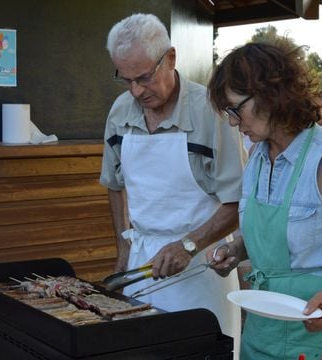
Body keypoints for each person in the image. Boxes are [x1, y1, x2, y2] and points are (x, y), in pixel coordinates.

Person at [206, 39, 322, 359]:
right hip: (263, 329)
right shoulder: (257, 156)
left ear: (270, 93)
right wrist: (236, 250)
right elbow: (276, 235)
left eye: (236, 109)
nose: (233, 122)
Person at [99, 13, 245, 354]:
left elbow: (236, 201)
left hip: (202, 268)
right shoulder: (121, 111)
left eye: (145, 77)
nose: (136, 91)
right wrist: (123, 246)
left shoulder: (211, 113)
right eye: (126, 79)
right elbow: (114, 184)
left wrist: (189, 246)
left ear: (171, 59)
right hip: (141, 262)